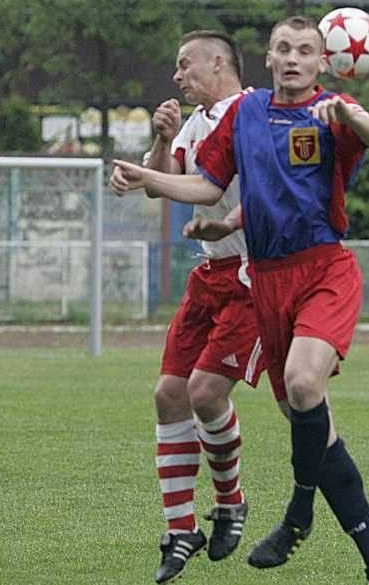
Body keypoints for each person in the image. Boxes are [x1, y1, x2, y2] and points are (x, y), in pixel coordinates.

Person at [110, 15, 369, 585]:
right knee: (303, 415)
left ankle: (297, 511)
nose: (293, 58)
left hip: (324, 267)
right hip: (267, 281)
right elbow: (204, 184)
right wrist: (146, 178)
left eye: (304, 50)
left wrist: (349, 114)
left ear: (323, 61)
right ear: (268, 59)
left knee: (301, 385)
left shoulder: (334, 110)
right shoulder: (247, 116)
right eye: (283, 48)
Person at [111, 30, 262, 584]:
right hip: (209, 273)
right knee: (169, 394)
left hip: (253, 276)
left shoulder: (254, 112)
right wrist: (157, 144)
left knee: (203, 391)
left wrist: (141, 173)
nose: (176, 76)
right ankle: (180, 530)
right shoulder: (196, 123)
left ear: (218, 62)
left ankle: (231, 501)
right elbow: (165, 188)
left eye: (184, 64)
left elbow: (201, 188)